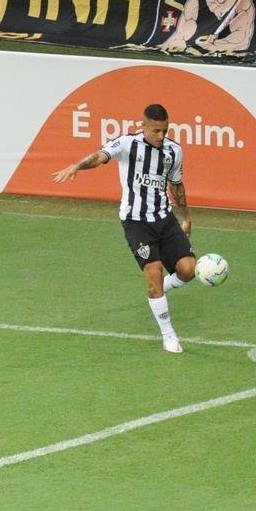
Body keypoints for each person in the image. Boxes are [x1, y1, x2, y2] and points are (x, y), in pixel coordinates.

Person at [52, 103, 197, 353]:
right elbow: (99, 156)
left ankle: (161, 291)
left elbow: (177, 185)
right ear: (144, 126)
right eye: (156, 131)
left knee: (189, 270)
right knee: (153, 274)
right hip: (136, 222)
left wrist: (186, 216)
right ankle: (168, 334)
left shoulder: (174, 151)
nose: (161, 136)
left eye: (165, 130)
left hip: (165, 219)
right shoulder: (127, 144)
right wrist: (77, 166)